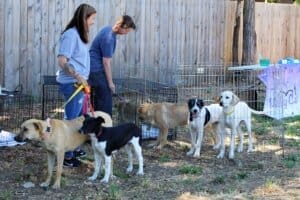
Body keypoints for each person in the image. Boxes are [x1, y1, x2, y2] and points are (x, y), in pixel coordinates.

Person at [56, 4, 96, 167]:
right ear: (83, 18)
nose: (93, 22)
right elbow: (62, 60)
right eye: (92, 19)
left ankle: (74, 147)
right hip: (73, 84)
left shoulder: (78, 35)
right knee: (71, 119)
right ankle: (66, 155)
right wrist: (78, 76)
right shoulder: (71, 34)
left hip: (79, 84)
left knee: (80, 117)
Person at [88, 15, 136, 116]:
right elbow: (106, 62)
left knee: (98, 96)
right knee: (105, 98)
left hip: (92, 67)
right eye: (127, 31)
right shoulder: (109, 38)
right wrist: (110, 83)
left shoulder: (107, 29)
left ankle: (96, 120)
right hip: (95, 69)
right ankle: (105, 123)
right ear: (123, 27)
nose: (127, 33)